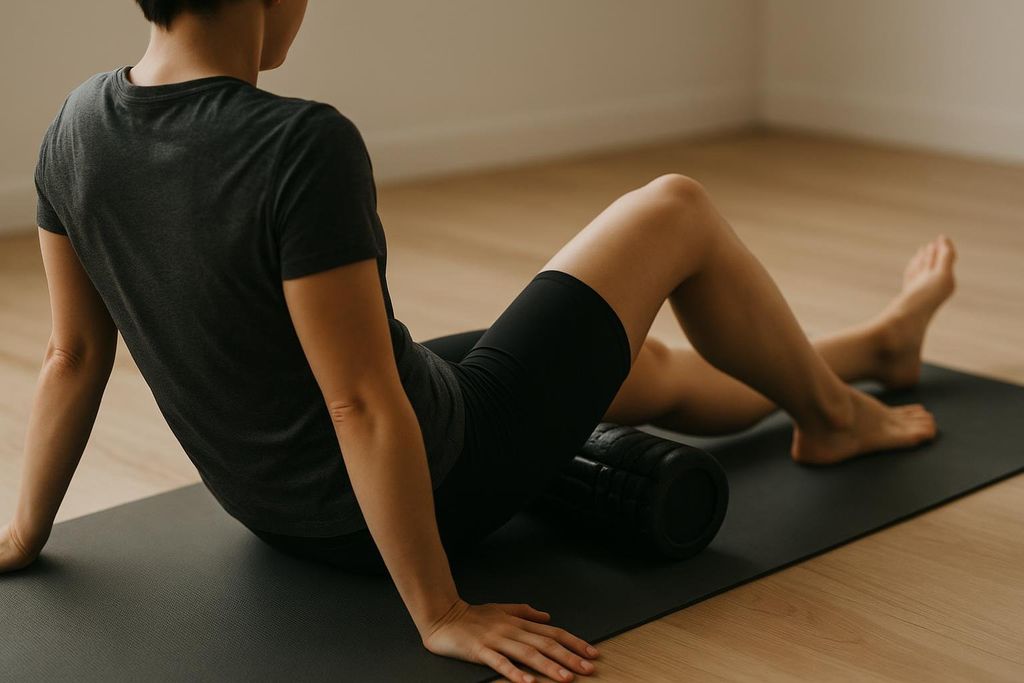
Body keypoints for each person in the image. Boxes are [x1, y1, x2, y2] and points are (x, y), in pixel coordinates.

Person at [0, 1, 957, 681]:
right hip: (441, 474)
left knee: (644, 367)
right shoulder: (297, 145)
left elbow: (71, 356)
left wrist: (22, 531)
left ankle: (876, 344)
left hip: (276, 507)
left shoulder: (72, 129)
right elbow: (362, 401)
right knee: (677, 209)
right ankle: (834, 421)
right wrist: (440, 612)